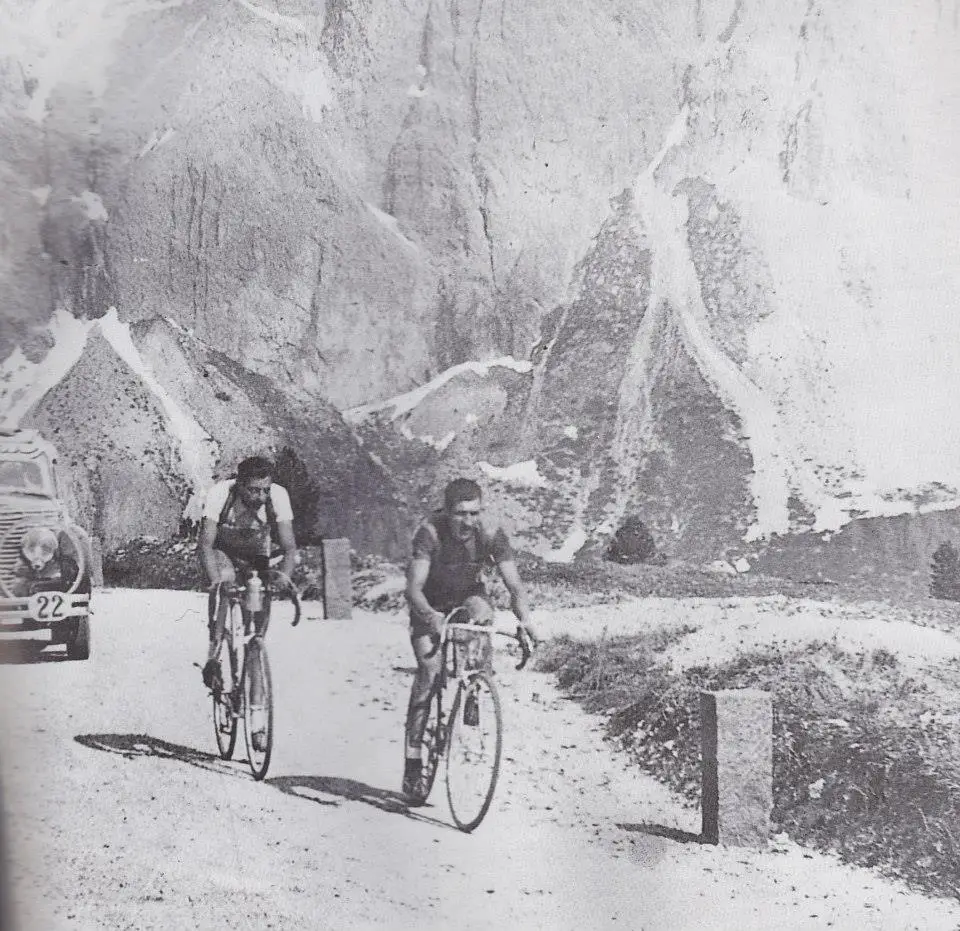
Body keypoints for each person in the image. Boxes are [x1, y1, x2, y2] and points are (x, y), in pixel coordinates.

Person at [402, 477, 538, 802]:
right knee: (429, 672)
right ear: (447, 512)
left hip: (467, 596)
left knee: (483, 616)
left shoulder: (489, 532)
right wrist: (431, 618)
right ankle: (412, 759)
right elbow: (413, 589)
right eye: (461, 514)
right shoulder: (430, 532)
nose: (468, 521)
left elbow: (514, 586)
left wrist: (526, 620)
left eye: (474, 513)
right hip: (430, 603)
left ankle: (475, 684)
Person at [198, 456, 297, 750]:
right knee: (225, 586)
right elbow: (205, 544)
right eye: (253, 490)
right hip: (223, 552)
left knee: (256, 638)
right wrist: (217, 582)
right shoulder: (220, 494)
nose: (260, 497)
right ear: (239, 484)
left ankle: (256, 724)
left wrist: (284, 579)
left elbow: (290, 547)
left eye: (265, 490)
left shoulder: (278, 497)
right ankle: (214, 656)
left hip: (258, 556)